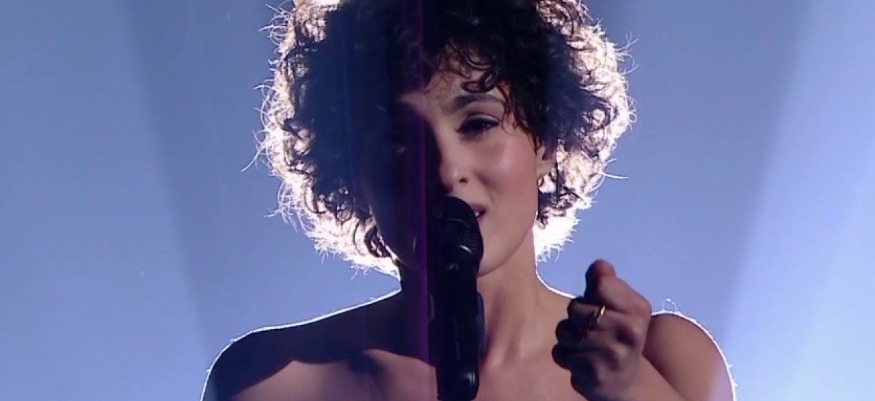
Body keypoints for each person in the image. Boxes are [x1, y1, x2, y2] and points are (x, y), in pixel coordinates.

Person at [201, 0, 736, 400]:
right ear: (353, 175)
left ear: (546, 141)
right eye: (398, 141)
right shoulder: (270, 382)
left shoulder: (668, 362)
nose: (445, 170)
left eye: (478, 123)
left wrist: (634, 390)